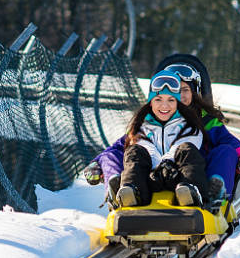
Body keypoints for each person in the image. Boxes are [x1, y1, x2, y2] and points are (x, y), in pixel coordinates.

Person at [86, 68, 211, 208]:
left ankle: (191, 193)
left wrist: (168, 162)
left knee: (187, 150)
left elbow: (185, 143)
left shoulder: (190, 125)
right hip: (149, 177)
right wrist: (158, 166)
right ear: (150, 102)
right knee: (134, 151)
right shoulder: (141, 126)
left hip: (178, 176)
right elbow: (146, 147)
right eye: (158, 99)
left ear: (177, 103)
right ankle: (132, 192)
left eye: (171, 100)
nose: (164, 105)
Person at [164, 62, 240, 200]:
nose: (179, 95)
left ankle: (216, 188)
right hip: (166, 173)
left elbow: (228, 140)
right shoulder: (154, 120)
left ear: (194, 92)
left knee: (226, 150)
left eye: (185, 90)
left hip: (203, 175)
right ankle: (130, 189)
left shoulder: (206, 120)